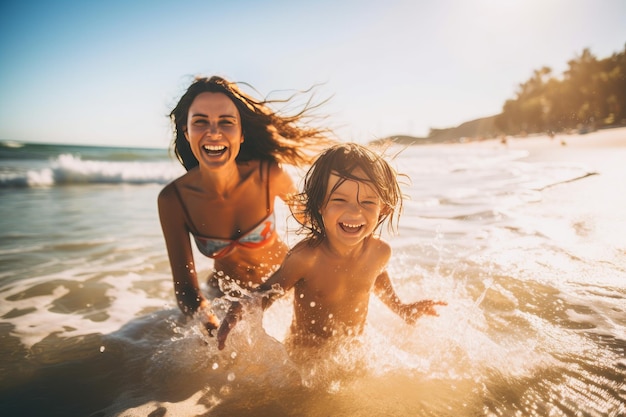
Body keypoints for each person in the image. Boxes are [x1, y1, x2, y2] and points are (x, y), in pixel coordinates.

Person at [217, 142, 447, 350]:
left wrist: (401, 309)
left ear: (383, 209)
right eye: (339, 200)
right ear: (320, 204)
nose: (355, 212)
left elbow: (376, 277)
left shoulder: (379, 252)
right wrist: (242, 307)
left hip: (351, 350)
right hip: (304, 356)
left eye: (367, 202)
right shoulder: (306, 257)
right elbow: (268, 292)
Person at [158, 75, 331, 332]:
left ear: (241, 134)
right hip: (224, 295)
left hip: (279, 287)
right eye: (200, 122)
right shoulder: (174, 200)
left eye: (226, 123)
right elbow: (186, 290)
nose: (213, 132)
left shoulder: (268, 175)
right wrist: (209, 323)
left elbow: (318, 227)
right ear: (187, 131)